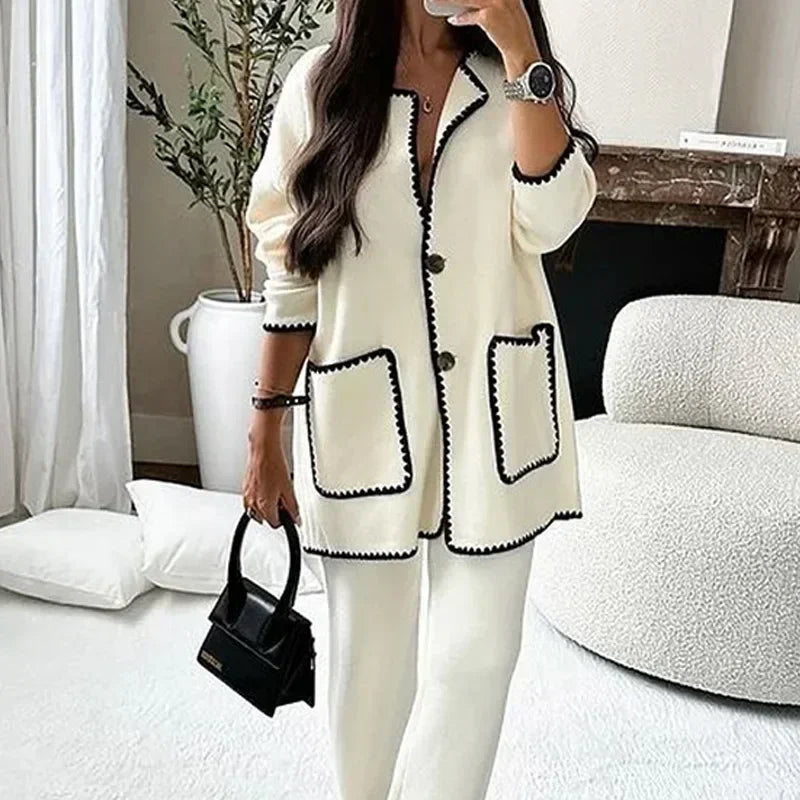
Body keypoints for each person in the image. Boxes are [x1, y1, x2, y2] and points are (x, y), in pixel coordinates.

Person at [241, 0, 598, 797]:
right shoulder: (322, 86)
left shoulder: (514, 79)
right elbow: (291, 271)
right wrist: (266, 432)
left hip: (494, 421)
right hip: (367, 417)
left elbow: (551, 222)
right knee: (368, 662)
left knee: (479, 656)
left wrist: (521, 50)